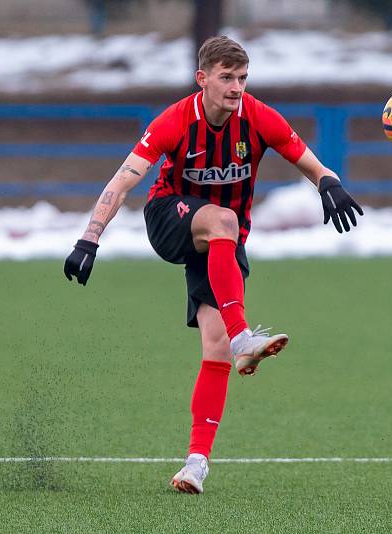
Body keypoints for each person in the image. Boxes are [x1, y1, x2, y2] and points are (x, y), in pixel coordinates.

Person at [63, 36, 363, 494]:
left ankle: (196, 463)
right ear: (202, 79)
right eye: (226, 77)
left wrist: (329, 183)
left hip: (224, 240)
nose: (236, 87)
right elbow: (123, 179)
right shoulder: (176, 120)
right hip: (170, 216)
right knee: (222, 222)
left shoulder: (257, 117)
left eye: (242, 78)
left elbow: (307, 159)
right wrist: (89, 238)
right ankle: (246, 334)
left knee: (216, 345)